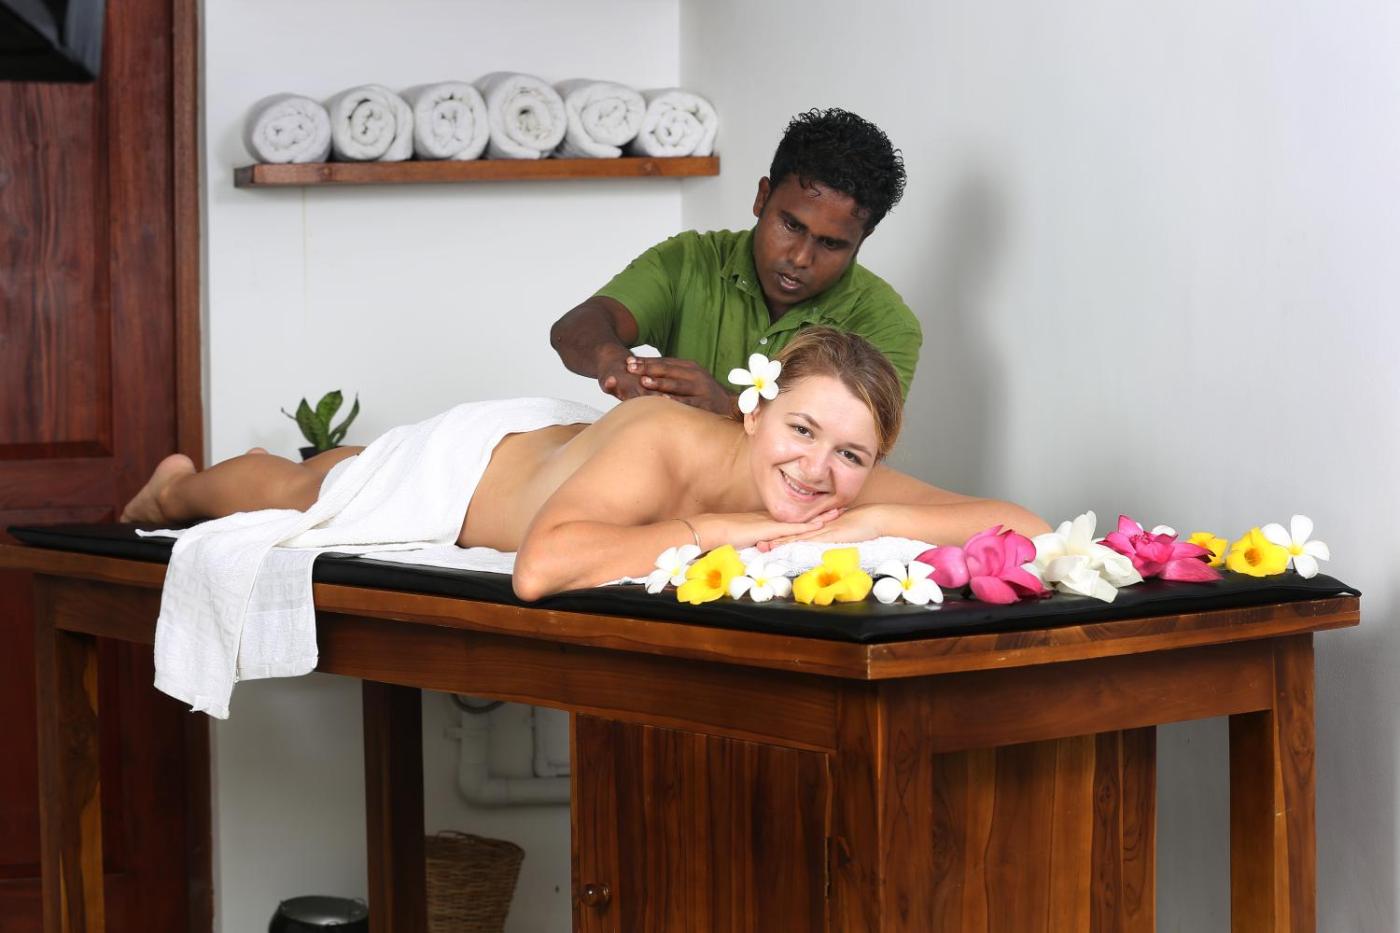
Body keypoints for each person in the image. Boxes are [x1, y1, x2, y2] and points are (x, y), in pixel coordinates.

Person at [122, 330, 1044, 601]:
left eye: (851, 455)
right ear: (755, 409)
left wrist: (872, 517)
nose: (817, 470)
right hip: (474, 469)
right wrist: (722, 530)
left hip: (568, 451)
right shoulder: (664, 437)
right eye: (801, 431)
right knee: (308, 488)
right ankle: (174, 486)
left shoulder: (834, 481)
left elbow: (1027, 526)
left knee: (327, 470)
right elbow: (541, 569)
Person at [550, 108, 923, 416]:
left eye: (831, 243)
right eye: (791, 225)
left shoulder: (886, 325)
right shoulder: (690, 260)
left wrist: (729, 409)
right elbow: (575, 327)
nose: (800, 257)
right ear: (762, 198)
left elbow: (853, 442)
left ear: (862, 240)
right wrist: (613, 361)